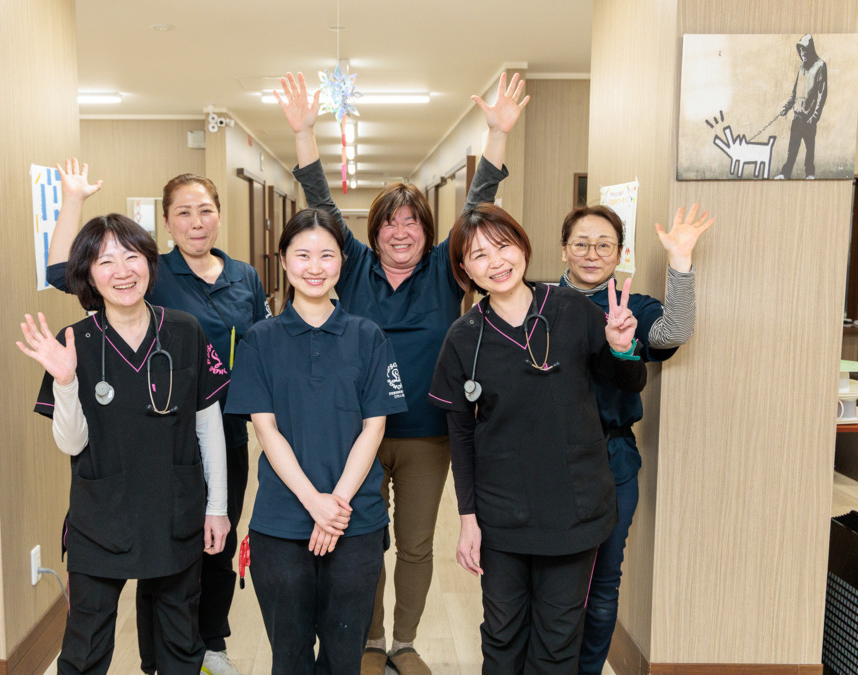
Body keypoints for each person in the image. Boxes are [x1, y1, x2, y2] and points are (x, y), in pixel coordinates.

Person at [276, 70, 528, 675]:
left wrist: (497, 135)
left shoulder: (447, 269)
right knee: (363, 543)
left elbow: (479, 205)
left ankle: (405, 642)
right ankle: (367, 642)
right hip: (356, 435)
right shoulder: (354, 267)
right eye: (389, 221)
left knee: (414, 545)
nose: (400, 231)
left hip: (426, 434)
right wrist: (305, 132)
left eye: (411, 221)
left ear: (427, 231)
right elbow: (319, 203)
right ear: (375, 231)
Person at [45, 162, 269, 675]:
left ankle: (208, 646)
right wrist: (73, 199)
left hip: (203, 447)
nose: (196, 221)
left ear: (219, 215)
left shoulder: (239, 282)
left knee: (199, 575)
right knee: (99, 627)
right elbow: (64, 272)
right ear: (166, 224)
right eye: (183, 212)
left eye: (205, 210)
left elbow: (261, 347)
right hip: (119, 476)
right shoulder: (140, 284)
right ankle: (165, 656)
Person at [428, 203, 647, 673]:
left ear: (523, 246)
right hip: (502, 514)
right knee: (502, 635)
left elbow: (628, 383)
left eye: (503, 246)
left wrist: (622, 347)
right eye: (479, 255)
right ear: (464, 269)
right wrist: (468, 519)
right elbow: (460, 435)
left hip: (574, 508)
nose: (496, 262)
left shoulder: (573, 309)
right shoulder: (464, 337)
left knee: (558, 638)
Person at [18, 213, 230, 674]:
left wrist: (217, 507)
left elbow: (208, 426)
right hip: (101, 516)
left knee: (180, 643)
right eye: (105, 261)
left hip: (174, 511)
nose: (122, 271)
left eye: (131, 257)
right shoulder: (73, 342)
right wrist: (66, 381)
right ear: (88, 276)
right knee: (85, 648)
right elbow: (71, 443)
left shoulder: (185, 331)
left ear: (150, 263)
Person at [224, 208, 408, 673]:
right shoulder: (259, 340)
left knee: (345, 658)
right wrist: (314, 504)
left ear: (342, 262)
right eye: (302, 254)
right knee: (289, 657)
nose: (315, 266)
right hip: (281, 523)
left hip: (356, 522)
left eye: (327, 255)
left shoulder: (369, 337)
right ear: (283, 260)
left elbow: (374, 427)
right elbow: (266, 430)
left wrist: (336, 506)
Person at [556, 203, 713, 674]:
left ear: (620, 253)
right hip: (550, 458)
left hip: (613, 458)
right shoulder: (537, 302)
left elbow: (674, 331)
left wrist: (680, 262)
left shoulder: (634, 306)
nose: (592, 254)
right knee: (553, 584)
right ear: (564, 249)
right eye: (581, 244)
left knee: (604, 582)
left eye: (604, 245)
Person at [773, 34, 827, 180]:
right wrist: (786, 108)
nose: (802, 55)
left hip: (809, 118)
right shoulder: (802, 66)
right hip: (797, 116)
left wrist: (814, 117)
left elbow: (822, 95)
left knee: (810, 151)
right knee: (792, 150)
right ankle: (785, 174)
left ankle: (810, 174)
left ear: (810, 50)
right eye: (800, 51)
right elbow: (795, 92)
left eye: (805, 51)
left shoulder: (820, 66)